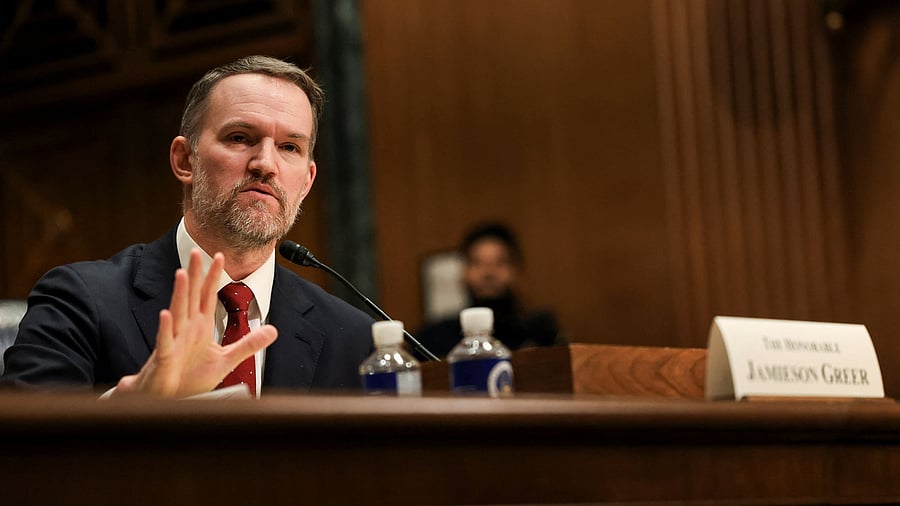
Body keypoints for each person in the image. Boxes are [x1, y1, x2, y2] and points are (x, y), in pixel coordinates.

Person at [1, 55, 373, 398]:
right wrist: (134, 406)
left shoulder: (352, 337)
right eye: (240, 138)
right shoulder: (80, 300)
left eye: (289, 147)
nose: (265, 163)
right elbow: (23, 456)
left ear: (306, 181)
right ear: (185, 160)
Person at [414, 222, 563, 360]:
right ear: (463, 272)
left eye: (499, 262)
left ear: (516, 271)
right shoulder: (435, 337)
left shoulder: (541, 334)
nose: (488, 273)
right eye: (477, 263)